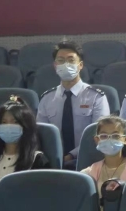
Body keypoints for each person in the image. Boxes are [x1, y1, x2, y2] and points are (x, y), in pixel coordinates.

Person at [37, 40, 110, 170]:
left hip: (88, 161)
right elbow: (42, 135)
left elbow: (99, 134)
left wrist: (71, 155)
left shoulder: (96, 97)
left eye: (71, 60)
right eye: (61, 60)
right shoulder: (46, 99)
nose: (66, 64)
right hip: (54, 163)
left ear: (80, 65)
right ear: (55, 65)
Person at [0, 97, 51, 182]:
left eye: (15, 122)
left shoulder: (38, 161)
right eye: (4, 122)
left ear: (25, 126)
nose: (8, 126)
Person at [81, 116, 126, 196]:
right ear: (97, 140)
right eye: (104, 136)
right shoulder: (92, 170)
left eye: (115, 136)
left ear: (125, 139)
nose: (109, 140)